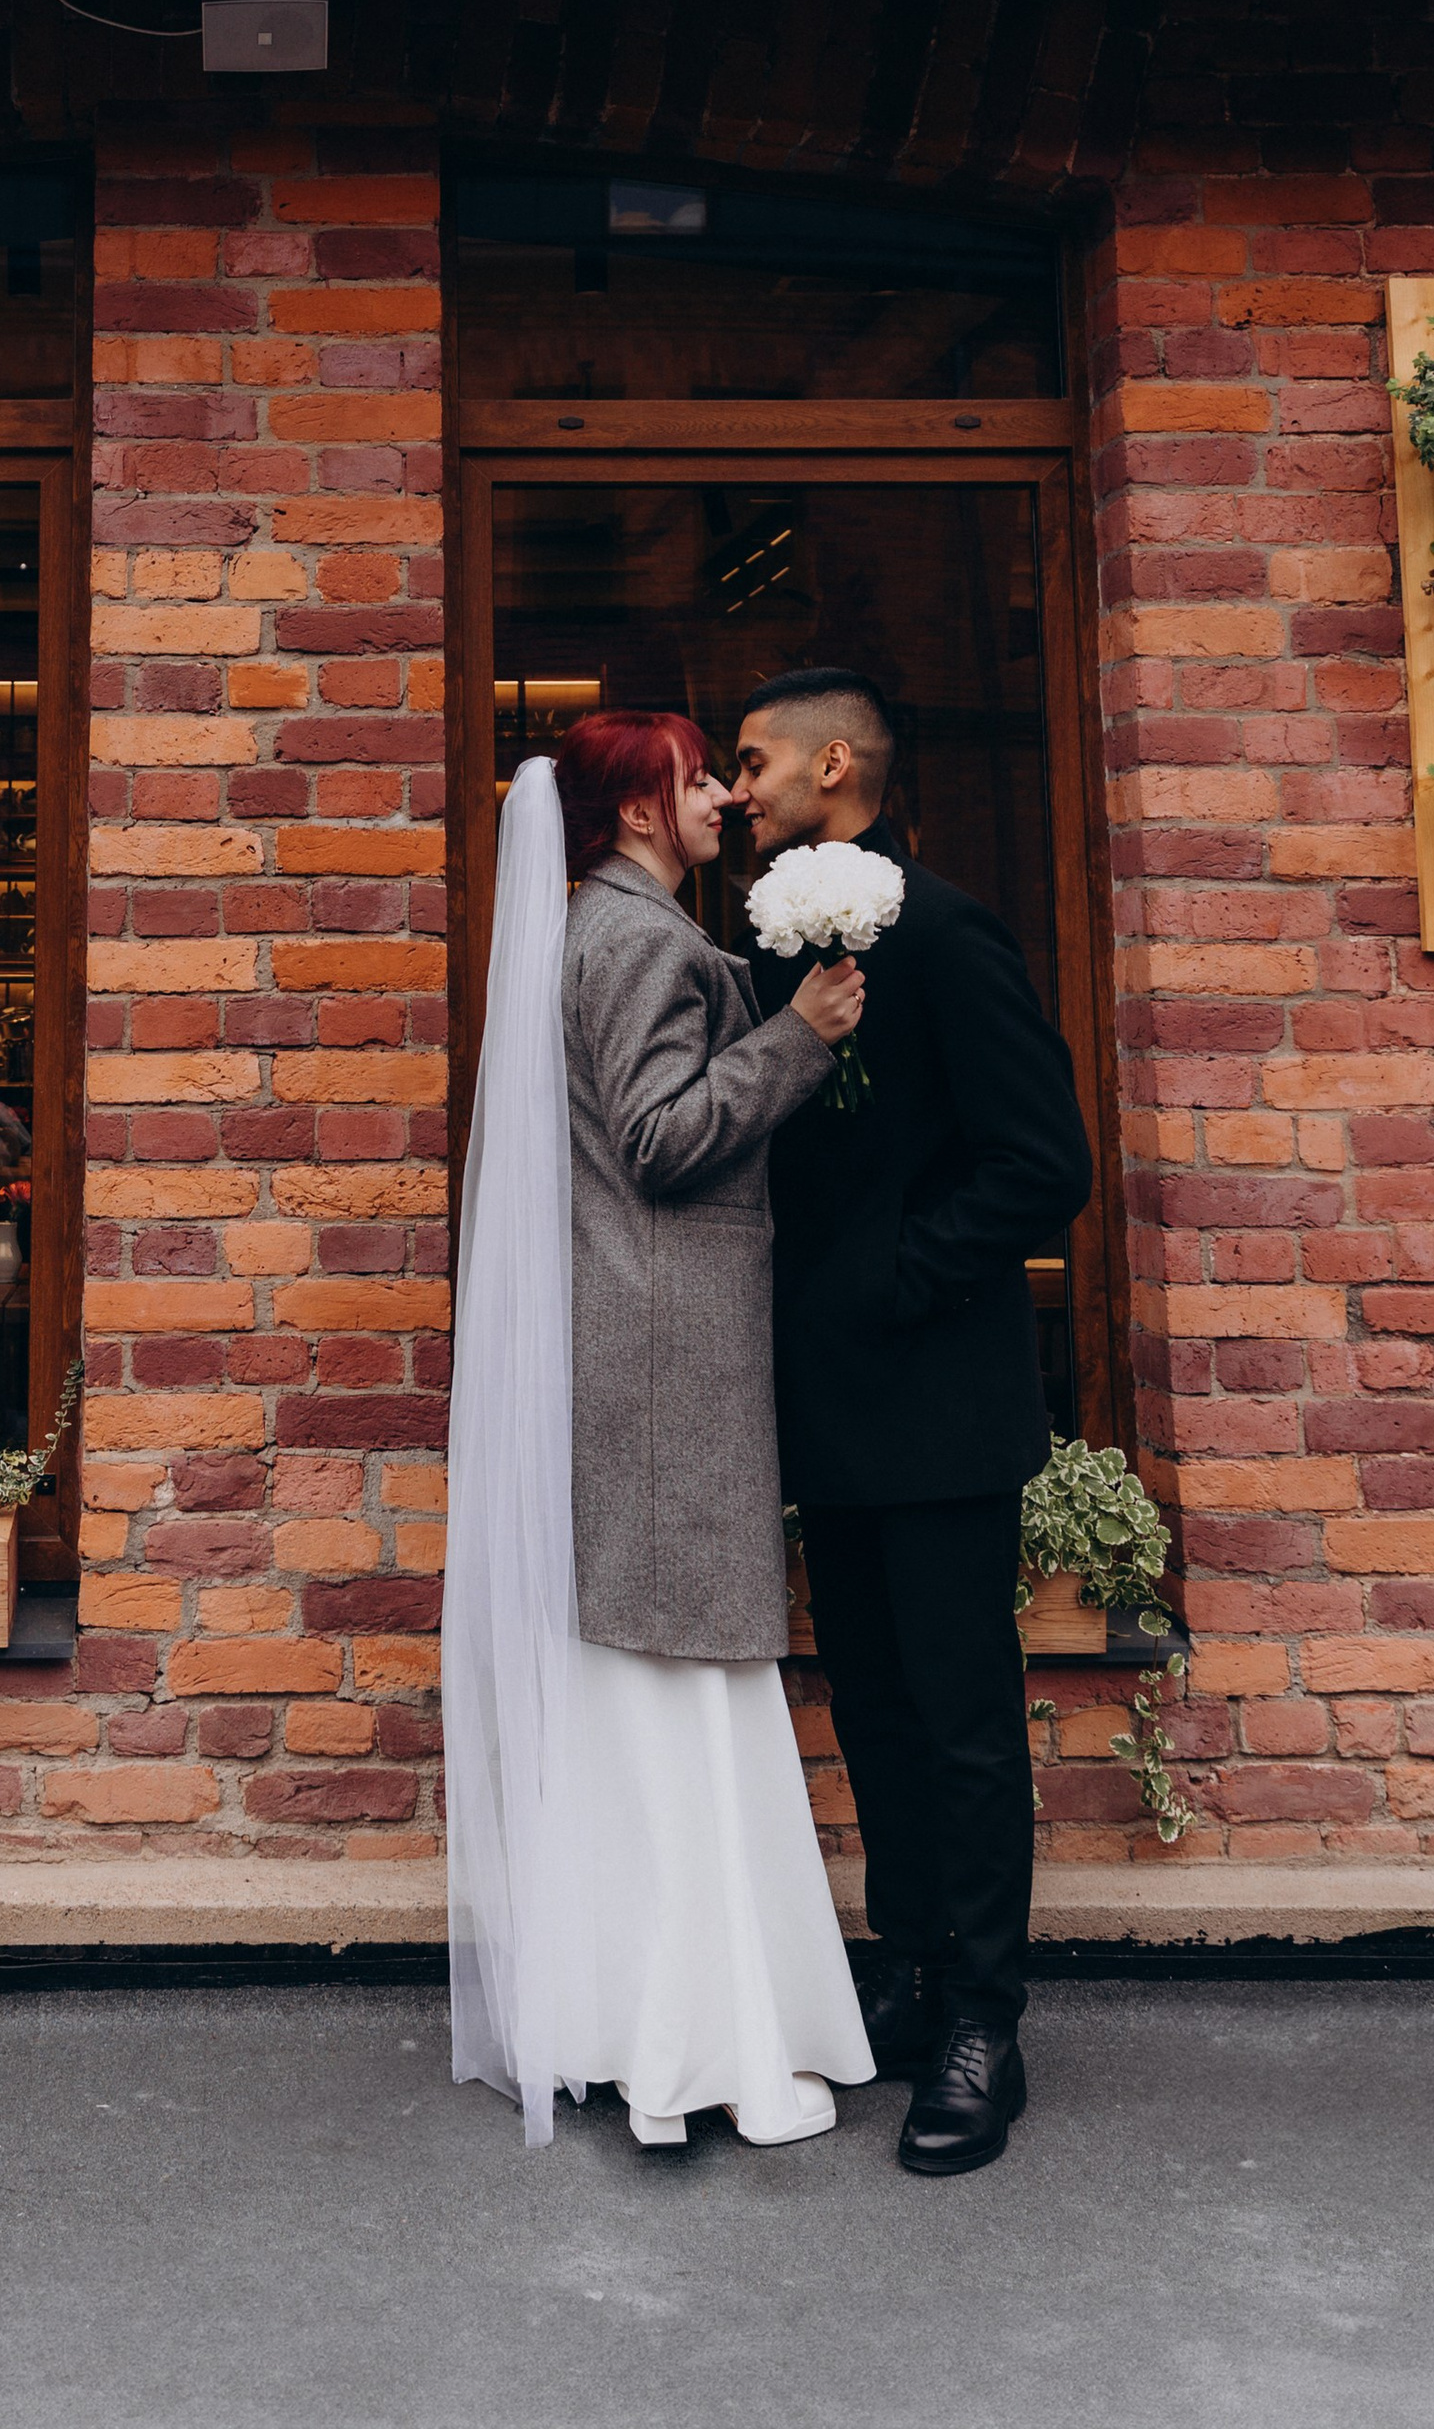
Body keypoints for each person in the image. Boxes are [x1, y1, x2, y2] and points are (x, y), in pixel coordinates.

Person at [446, 712, 875, 2152]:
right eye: (697, 777)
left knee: (663, 1686)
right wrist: (795, 1042)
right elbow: (659, 1138)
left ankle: (648, 2016)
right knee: (680, 1680)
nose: (716, 798)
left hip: (644, 1356)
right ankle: (699, 2045)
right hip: (663, 1359)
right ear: (638, 810)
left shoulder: (607, 930)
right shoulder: (635, 942)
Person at [730, 666, 1095, 2181]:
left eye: (752, 763)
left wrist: (894, 1279)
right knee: (870, 1707)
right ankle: (909, 1958)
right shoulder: (760, 956)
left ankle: (982, 2026)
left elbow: (1041, 1163)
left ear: (834, 767)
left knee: (959, 1719)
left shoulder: (946, 932)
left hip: (939, 1402)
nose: (735, 789)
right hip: (822, 1408)